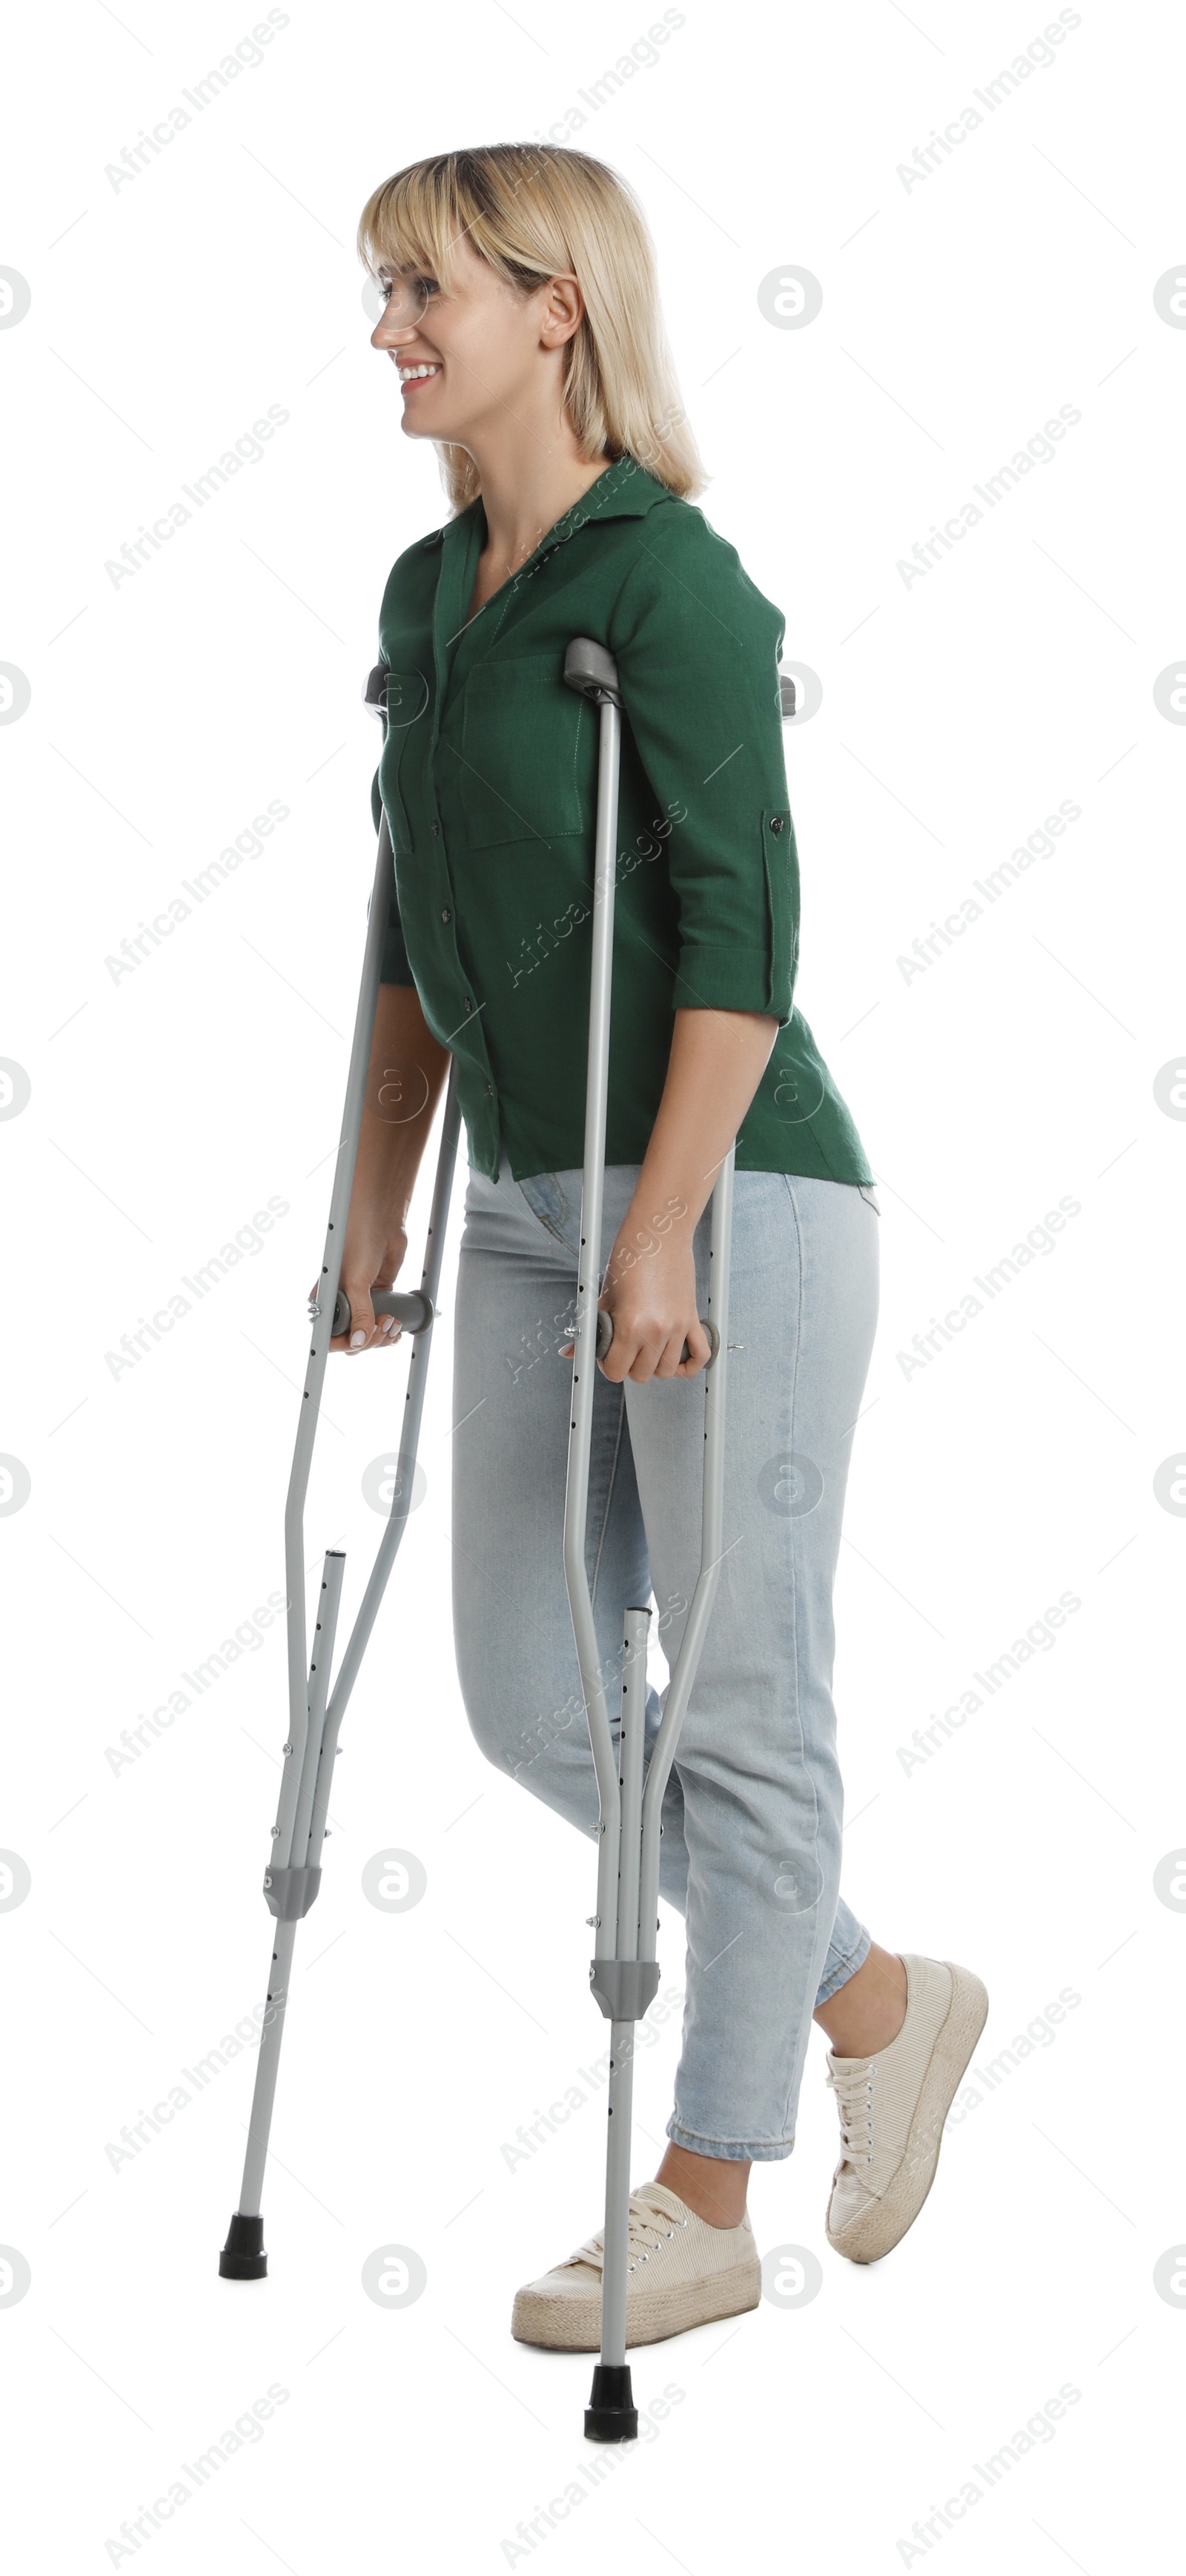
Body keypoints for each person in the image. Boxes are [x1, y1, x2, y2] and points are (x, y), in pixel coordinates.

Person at [333, 142, 987, 2353]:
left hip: (739, 1195)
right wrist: (370, 1197)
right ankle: (875, 1995)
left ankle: (706, 2190)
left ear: (557, 308)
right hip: (520, 1203)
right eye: (385, 296)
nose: (393, 333)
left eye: (428, 292)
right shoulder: (435, 607)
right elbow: (413, 936)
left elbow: (745, 938)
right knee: (539, 1698)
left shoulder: (671, 581)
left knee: (732, 1690)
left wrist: (672, 1229)